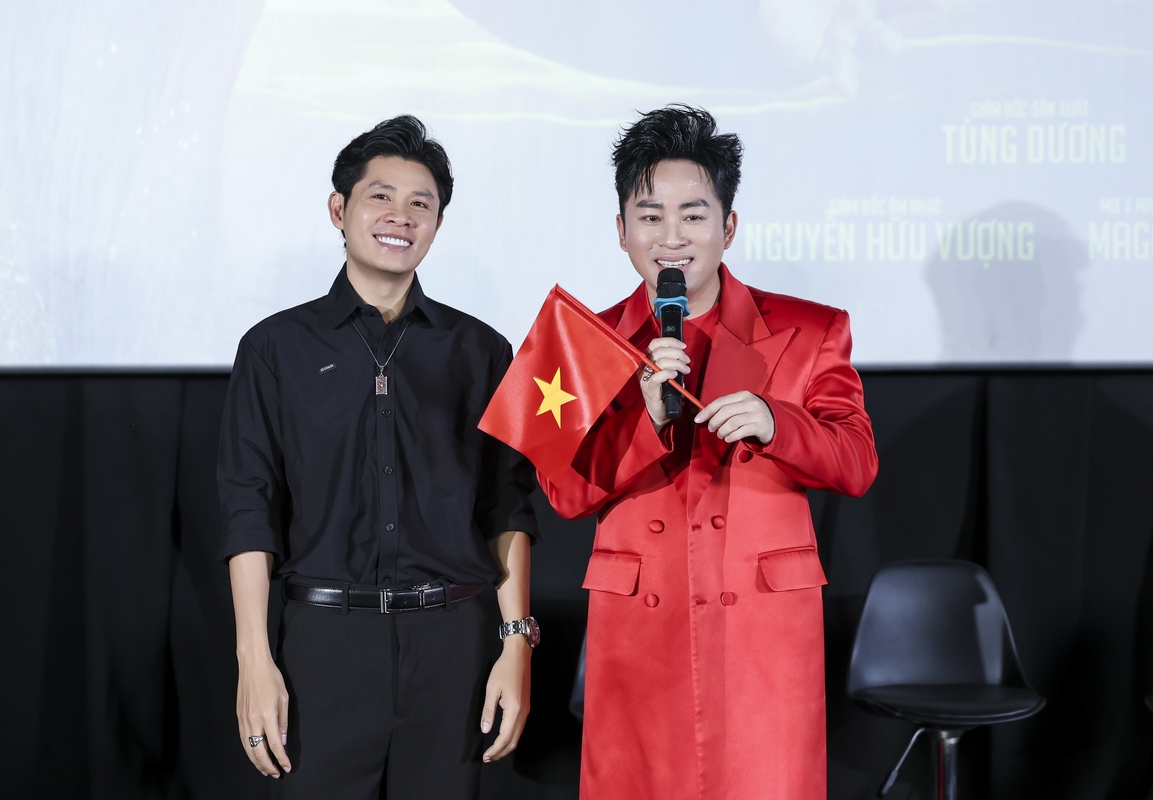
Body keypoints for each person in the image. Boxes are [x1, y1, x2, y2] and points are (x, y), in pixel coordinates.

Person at [538, 105, 878, 799]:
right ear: (621, 231)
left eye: (693, 215)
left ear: (728, 226)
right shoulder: (580, 342)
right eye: (650, 216)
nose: (671, 236)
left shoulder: (812, 330)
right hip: (640, 629)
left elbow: (857, 463)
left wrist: (778, 424)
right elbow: (563, 493)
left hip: (761, 633)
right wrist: (642, 419)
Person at [217, 115, 540, 799]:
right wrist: (254, 658)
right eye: (381, 197)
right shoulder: (275, 348)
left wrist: (515, 643)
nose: (401, 216)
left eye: (421, 203)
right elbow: (249, 505)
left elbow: (506, 504)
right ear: (339, 210)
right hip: (324, 646)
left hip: (452, 644)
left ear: (438, 223)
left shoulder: (480, 351)